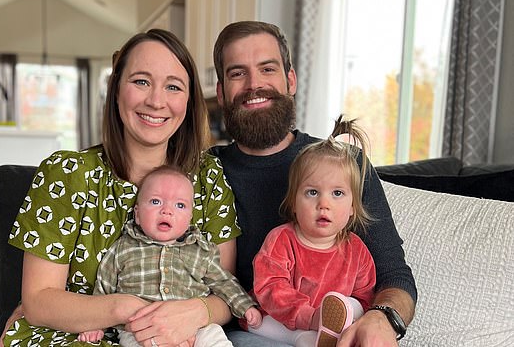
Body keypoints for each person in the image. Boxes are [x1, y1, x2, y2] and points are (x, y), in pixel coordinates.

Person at [0, 29, 243, 347]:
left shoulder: (209, 178)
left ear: (188, 101)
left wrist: (194, 312)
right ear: (116, 91)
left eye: (173, 86)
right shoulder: (67, 173)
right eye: (141, 81)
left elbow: (224, 292)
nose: (156, 101)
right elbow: (39, 301)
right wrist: (126, 307)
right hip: (73, 337)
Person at [209, 21, 417, 346]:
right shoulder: (205, 172)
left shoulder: (347, 165)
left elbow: (394, 274)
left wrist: (383, 318)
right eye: (238, 73)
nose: (254, 84)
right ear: (221, 92)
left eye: (267, 68)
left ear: (290, 80)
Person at [77, 165, 262, 346]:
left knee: (214, 336)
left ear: (189, 218)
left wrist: (245, 306)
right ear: (138, 214)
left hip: (194, 326)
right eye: (156, 201)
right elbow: (104, 284)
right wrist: (95, 324)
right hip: (140, 328)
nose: (167, 210)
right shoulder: (123, 248)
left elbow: (224, 282)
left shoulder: (200, 251)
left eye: (180, 205)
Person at [248, 116, 376, 347]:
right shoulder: (282, 240)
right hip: (281, 318)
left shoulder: (356, 249)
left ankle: (331, 328)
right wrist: (311, 317)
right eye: (312, 193)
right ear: (294, 204)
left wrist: (349, 312)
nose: (323, 204)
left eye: (337, 193)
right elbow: (271, 289)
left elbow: (365, 295)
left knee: (355, 305)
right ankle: (308, 339)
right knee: (257, 322)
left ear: (352, 209)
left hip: (335, 318)